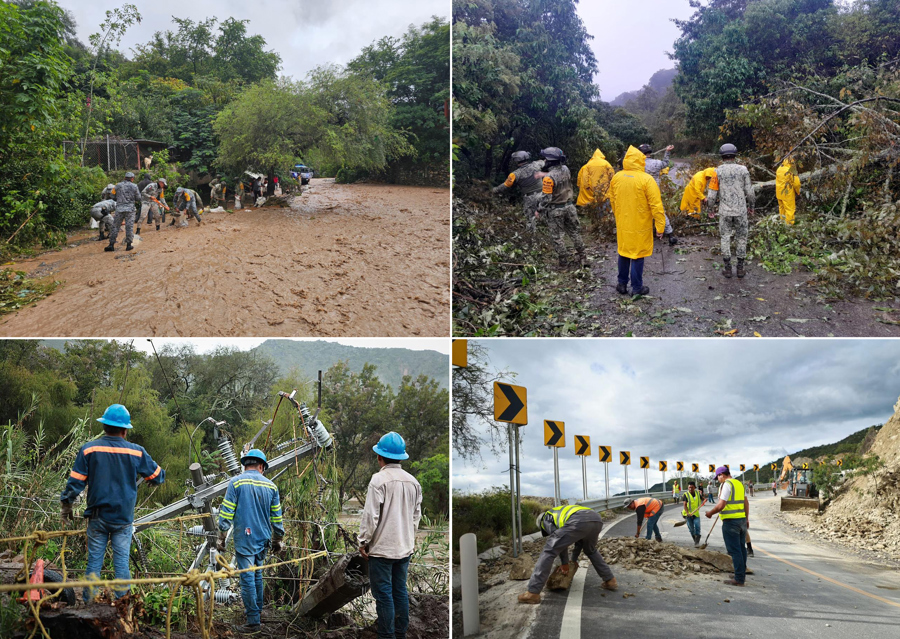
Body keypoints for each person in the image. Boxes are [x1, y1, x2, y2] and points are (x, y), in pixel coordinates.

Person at [60, 404, 166, 600]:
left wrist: (67, 505)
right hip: (123, 519)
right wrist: (151, 479)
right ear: (125, 430)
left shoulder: (89, 449)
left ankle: (89, 604)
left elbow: (75, 482)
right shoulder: (137, 452)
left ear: (104, 426)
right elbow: (158, 476)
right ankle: (122, 606)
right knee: (121, 564)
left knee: (94, 562)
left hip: (97, 517)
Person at [358, 432, 422, 639]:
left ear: (379, 457)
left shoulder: (378, 480)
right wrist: (410, 542)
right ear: (401, 457)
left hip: (382, 551)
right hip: (404, 549)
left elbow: (370, 517)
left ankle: (386, 636)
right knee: (400, 591)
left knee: (383, 595)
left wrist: (363, 542)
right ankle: (400, 633)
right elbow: (415, 518)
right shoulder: (413, 482)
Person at [216, 448, 284, 632]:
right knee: (257, 575)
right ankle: (256, 613)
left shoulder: (236, 483)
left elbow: (226, 513)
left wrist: (221, 538)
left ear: (245, 464)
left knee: (247, 578)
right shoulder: (271, 486)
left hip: (244, 539)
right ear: (262, 466)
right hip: (263, 539)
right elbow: (277, 519)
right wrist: (278, 540)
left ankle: (253, 622)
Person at [518, 504, 617, 604]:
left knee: (549, 550)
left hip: (579, 520)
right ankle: (610, 580)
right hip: (596, 519)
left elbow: (558, 543)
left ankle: (532, 593)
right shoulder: (560, 512)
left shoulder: (546, 518)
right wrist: (573, 561)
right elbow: (579, 541)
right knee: (590, 550)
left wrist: (565, 563)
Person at [609, 145, 667, 296]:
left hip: (623, 224)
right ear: (641, 160)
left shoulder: (617, 177)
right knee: (637, 255)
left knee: (624, 252)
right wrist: (660, 227)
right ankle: (636, 288)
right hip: (640, 225)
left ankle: (621, 284)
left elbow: (613, 200)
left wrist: (618, 216)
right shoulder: (646, 179)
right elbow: (656, 206)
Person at [708, 143, 755, 279]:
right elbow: (750, 192)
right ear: (735, 155)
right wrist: (751, 206)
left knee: (725, 237)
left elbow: (711, 195)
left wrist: (710, 209)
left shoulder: (717, 172)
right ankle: (740, 268)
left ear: (722, 156)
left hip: (725, 212)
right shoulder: (743, 170)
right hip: (741, 211)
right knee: (741, 237)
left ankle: (728, 269)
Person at [535, 147, 586, 268]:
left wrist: (539, 209)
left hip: (556, 210)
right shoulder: (565, 169)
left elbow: (546, 199)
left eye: (545, 159)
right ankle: (583, 256)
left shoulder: (548, 178)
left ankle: (563, 262)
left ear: (550, 161)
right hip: (569, 207)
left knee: (557, 237)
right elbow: (557, 174)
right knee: (574, 233)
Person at [705, 466, 750, 586]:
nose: (718, 479)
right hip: (741, 520)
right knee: (741, 549)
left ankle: (739, 579)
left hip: (731, 523)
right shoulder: (739, 484)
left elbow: (721, 505)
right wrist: (747, 518)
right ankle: (740, 572)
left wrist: (710, 513)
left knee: (735, 551)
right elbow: (746, 502)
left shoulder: (726, 484)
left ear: (722, 475)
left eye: (718, 477)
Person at [492, 150, 545, 232]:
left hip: (530, 198)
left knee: (530, 218)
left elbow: (505, 186)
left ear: (516, 161)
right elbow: (545, 162)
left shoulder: (515, 174)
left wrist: (494, 190)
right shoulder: (536, 165)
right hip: (544, 194)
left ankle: (533, 237)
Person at [637, 143, 678, 245]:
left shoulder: (637, 164)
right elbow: (665, 163)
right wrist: (667, 152)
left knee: (641, 213)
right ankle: (670, 235)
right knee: (660, 212)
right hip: (654, 192)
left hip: (640, 192)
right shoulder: (656, 163)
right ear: (649, 152)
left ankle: (642, 236)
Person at [105, 172, 141, 252]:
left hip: (119, 209)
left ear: (125, 177)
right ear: (132, 178)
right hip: (130, 209)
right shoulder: (134, 186)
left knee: (115, 227)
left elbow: (112, 196)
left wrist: (119, 199)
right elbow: (138, 197)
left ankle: (111, 244)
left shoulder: (117, 185)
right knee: (129, 227)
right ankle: (128, 245)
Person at [576, 148, 614, 218]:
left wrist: (586, 186)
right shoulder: (606, 163)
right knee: (605, 199)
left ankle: (597, 216)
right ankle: (606, 215)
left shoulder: (588, 164)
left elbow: (584, 176)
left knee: (596, 200)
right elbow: (612, 174)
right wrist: (612, 183)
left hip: (593, 186)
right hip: (605, 185)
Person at [776, 157, 801, 225]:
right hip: (787, 194)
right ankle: (789, 227)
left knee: (782, 209)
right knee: (790, 210)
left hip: (779, 194)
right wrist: (798, 191)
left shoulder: (779, 168)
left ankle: (782, 225)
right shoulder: (791, 170)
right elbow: (796, 183)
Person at [682, 482, 703, 547]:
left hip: (696, 514)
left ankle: (697, 542)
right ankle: (695, 539)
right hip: (688, 515)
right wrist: (687, 513)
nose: (690, 489)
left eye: (692, 487)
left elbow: (702, 498)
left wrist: (704, 500)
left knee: (697, 526)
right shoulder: (686, 494)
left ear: (695, 488)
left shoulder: (697, 493)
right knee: (691, 529)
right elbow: (685, 504)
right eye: (689, 487)